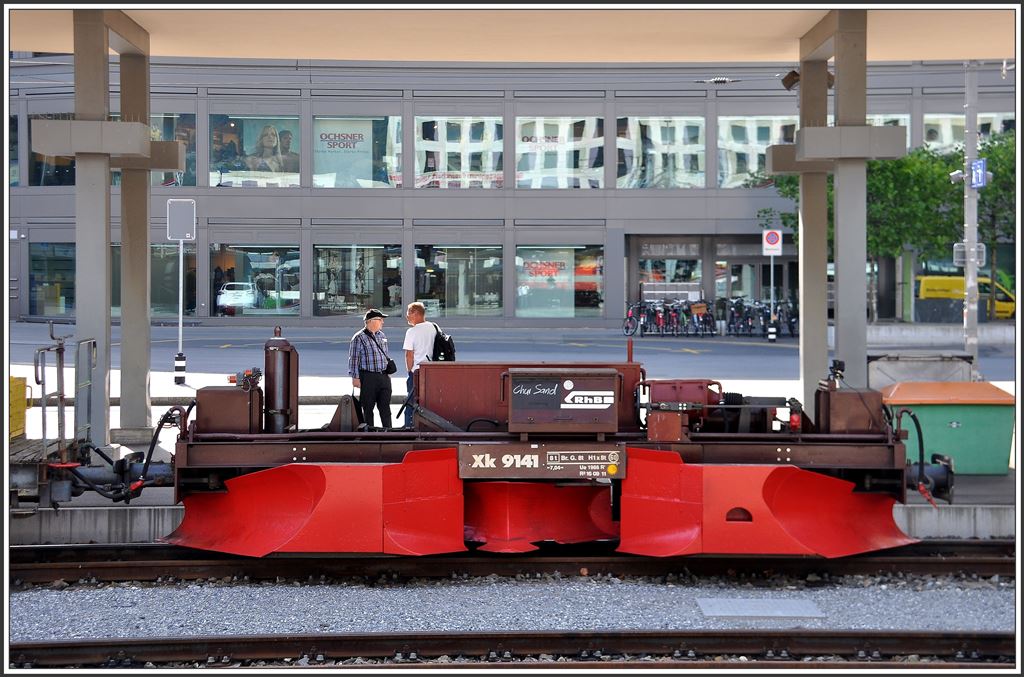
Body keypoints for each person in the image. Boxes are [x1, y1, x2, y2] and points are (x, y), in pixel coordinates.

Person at [348, 308, 393, 429]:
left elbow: (385, 354)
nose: (382, 322)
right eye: (380, 319)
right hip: (368, 377)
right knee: (368, 408)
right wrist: (355, 377)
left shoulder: (381, 335)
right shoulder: (359, 337)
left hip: (383, 376)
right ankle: (369, 433)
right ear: (371, 321)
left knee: (385, 407)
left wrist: (388, 372)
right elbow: (353, 359)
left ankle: (389, 432)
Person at [401, 301, 436, 427]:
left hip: (416, 371)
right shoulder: (434, 327)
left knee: (411, 401)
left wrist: (409, 371)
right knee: (428, 402)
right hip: (432, 371)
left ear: (415, 313)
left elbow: (409, 355)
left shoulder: (412, 332)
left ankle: (409, 426)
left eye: (408, 313)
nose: (407, 317)